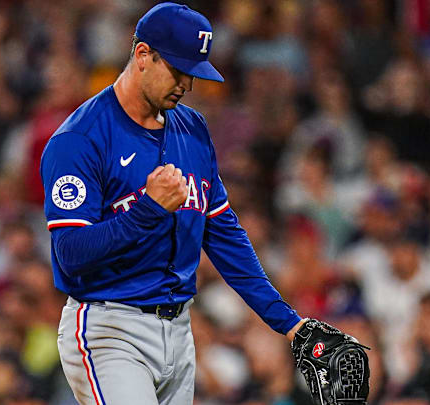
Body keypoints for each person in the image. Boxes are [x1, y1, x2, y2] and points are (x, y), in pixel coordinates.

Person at [40, 3, 306, 404]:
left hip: (180, 331)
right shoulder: (80, 139)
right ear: (143, 55)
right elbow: (70, 253)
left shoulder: (193, 128)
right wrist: (147, 209)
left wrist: (290, 324)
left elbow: (223, 234)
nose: (186, 83)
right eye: (178, 70)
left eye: (194, 73)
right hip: (110, 329)